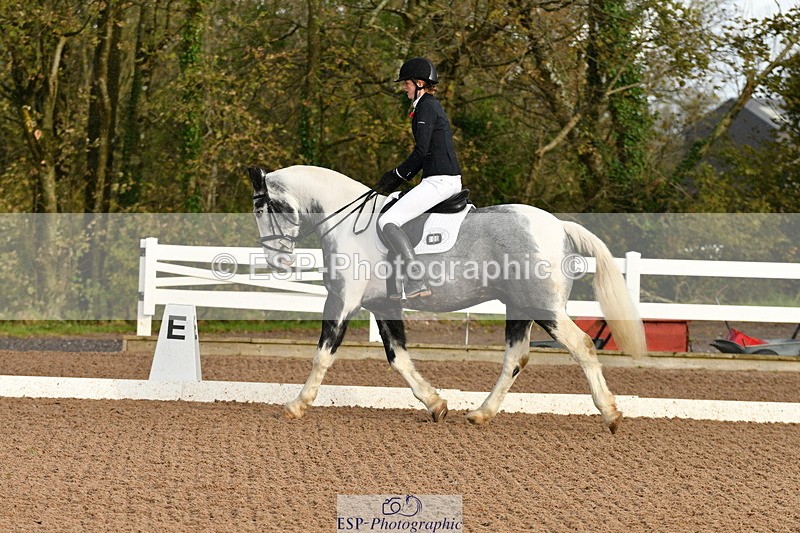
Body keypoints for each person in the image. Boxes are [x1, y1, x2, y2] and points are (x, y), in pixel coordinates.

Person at [376, 57, 463, 299]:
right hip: (436, 178)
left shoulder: (426, 107)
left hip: (441, 180)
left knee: (388, 220)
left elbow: (421, 151)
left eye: (407, 83)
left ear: (420, 83)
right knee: (394, 199)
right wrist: (399, 178)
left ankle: (415, 279)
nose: (404, 87)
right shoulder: (426, 106)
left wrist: (397, 174)